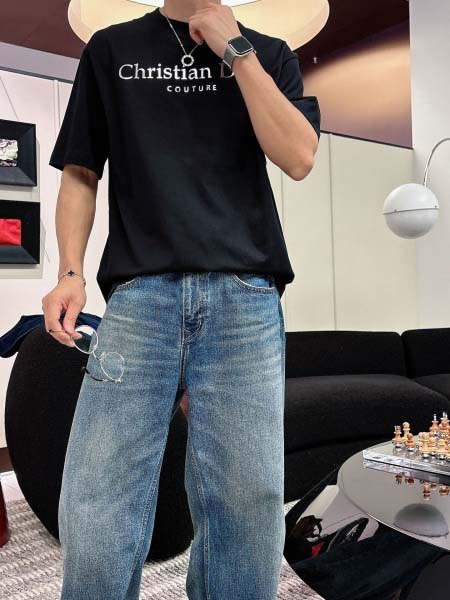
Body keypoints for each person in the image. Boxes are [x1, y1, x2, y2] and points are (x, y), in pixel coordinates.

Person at [43, 1, 321, 598]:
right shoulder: (111, 48)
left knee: (248, 497)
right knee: (98, 493)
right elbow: (80, 171)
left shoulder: (269, 52)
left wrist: (235, 50)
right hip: (140, 297)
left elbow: (299, 156)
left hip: (244, 298)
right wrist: (69, 271)